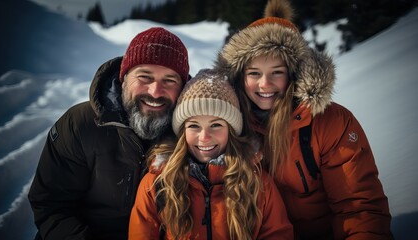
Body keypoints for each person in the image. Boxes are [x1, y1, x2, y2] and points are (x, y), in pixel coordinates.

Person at [214, 0, 392, 239]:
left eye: (277, 72)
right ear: (239, 76)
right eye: (254, 73)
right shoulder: (230, 125)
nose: (265, 84)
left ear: (293, 74)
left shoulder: (330, 122)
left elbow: (359, 207)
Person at [28, 27, 190, 240]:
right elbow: (53, 207)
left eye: (169, 80)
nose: (155, 91)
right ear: (124, 79)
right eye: (144, 77)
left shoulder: (191, 133)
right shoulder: (80, 124)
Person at [128, 69, 294, 239]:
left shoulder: (258, 183)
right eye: (194, 126)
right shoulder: (157, 184)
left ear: (231, 130)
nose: (204, 137)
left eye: (215, 125)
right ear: (182, 131)